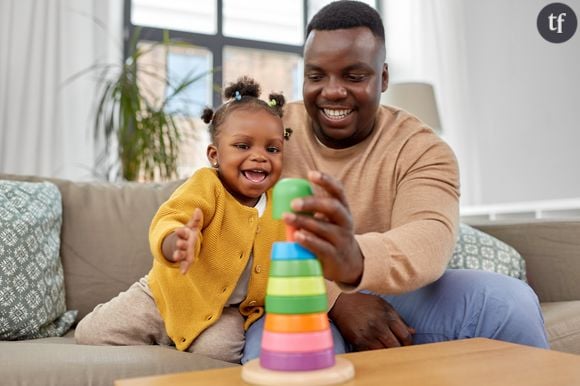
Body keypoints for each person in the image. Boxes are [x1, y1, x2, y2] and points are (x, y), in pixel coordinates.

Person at [242, 0, 548, 362]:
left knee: (509, 303)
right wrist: (336, 297)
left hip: (395, 295)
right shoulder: (267, 132)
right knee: (283, 361)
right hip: (285, 296)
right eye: (316, 75)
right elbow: (230, 235)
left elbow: (429, 239)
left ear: (383, 77)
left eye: (354, 77)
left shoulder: (421, 148)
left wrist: (353, 261)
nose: (333, 91)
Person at [75, 77, 289, 363]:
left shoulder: (281, 202)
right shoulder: (206, 185)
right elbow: (170, 218)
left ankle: (176, 341)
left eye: (272, 149)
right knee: (91, 332)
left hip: (224, 310)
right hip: (164, 295)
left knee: (219, 355)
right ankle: (166, 334)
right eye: (243, 146)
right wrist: (176, 241)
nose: (260, 157)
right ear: (215, 155)